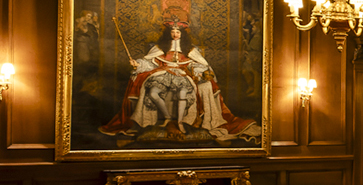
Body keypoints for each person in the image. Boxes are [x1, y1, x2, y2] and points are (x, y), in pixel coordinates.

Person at [100, 18, 259, 143]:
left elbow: (200, 65)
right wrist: (138, 64)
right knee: (153, 91)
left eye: (178, 31)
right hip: (161, 75)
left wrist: (202, 73)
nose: (175, 34)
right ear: (169, 33)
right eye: (173, 31)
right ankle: (164, 119)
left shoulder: (190, 50)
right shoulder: (159, 48)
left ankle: (182, 122)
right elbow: (149, 62)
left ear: (182, 34)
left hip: (183, 77)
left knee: (184, 91)